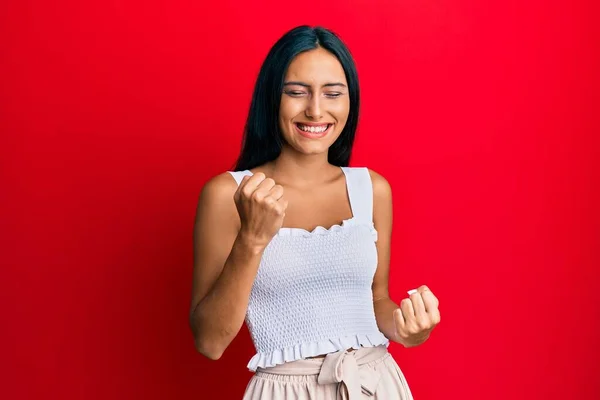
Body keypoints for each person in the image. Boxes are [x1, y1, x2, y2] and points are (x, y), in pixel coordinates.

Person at [189, 25, 441, 399]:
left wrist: (408, 330)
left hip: (375, 382)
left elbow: (376, 300)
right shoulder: (230, 194)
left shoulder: (371, 189)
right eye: (296, 92)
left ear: (349, 101)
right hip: (283, 390)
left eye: (333, 94)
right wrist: (252, 240)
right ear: (272, 98)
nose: (316, 110)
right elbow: (210, 342)